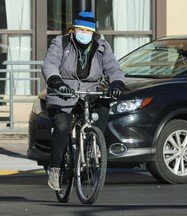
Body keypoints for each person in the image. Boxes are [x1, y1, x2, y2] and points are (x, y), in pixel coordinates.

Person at [41, 10, 125, 191]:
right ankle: (55, 168)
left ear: (93, 33)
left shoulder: (102, 47)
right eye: (81, 30)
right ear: (73, 30)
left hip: (90, 93)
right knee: (62, 127)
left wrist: (117, 83)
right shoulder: (61, 43)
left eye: (88, 31)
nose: (84, 34)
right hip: (63, 93)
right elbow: (50, 64)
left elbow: (113, 68)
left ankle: (92, 147)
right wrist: (56, 82)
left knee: (103, 106)